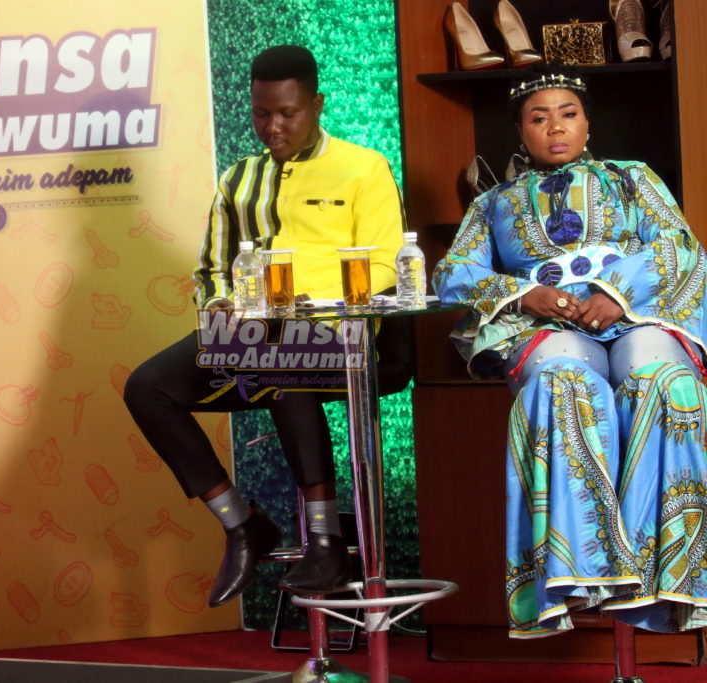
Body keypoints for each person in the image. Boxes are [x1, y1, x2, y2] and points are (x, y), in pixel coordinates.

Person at [433, 63, 707, 638]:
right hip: (550, 326)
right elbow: (452, 273)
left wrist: (617, 293)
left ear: (587, 124)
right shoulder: (493, 203)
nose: (555, 128)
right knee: (564, 383)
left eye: (568, 114)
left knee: (666, 381)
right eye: (539, 118)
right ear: (520, 131)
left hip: (634, 313)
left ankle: (667, 572)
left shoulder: (631, 178)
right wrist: (523, 293)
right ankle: (585, 574)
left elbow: (680, 247)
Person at [124, 45, 404, 607]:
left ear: (317, 105)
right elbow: (213, 269)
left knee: (279, 353)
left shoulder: (364, 167)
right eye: (261, 113)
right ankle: (241, 524)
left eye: (287, 113)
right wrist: (219, 306)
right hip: (254, 338)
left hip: (341, 339)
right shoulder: (238, 179)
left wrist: (306, 306)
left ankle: (324, 540)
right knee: (147, 387)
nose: (273, 127)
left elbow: (384, 267)